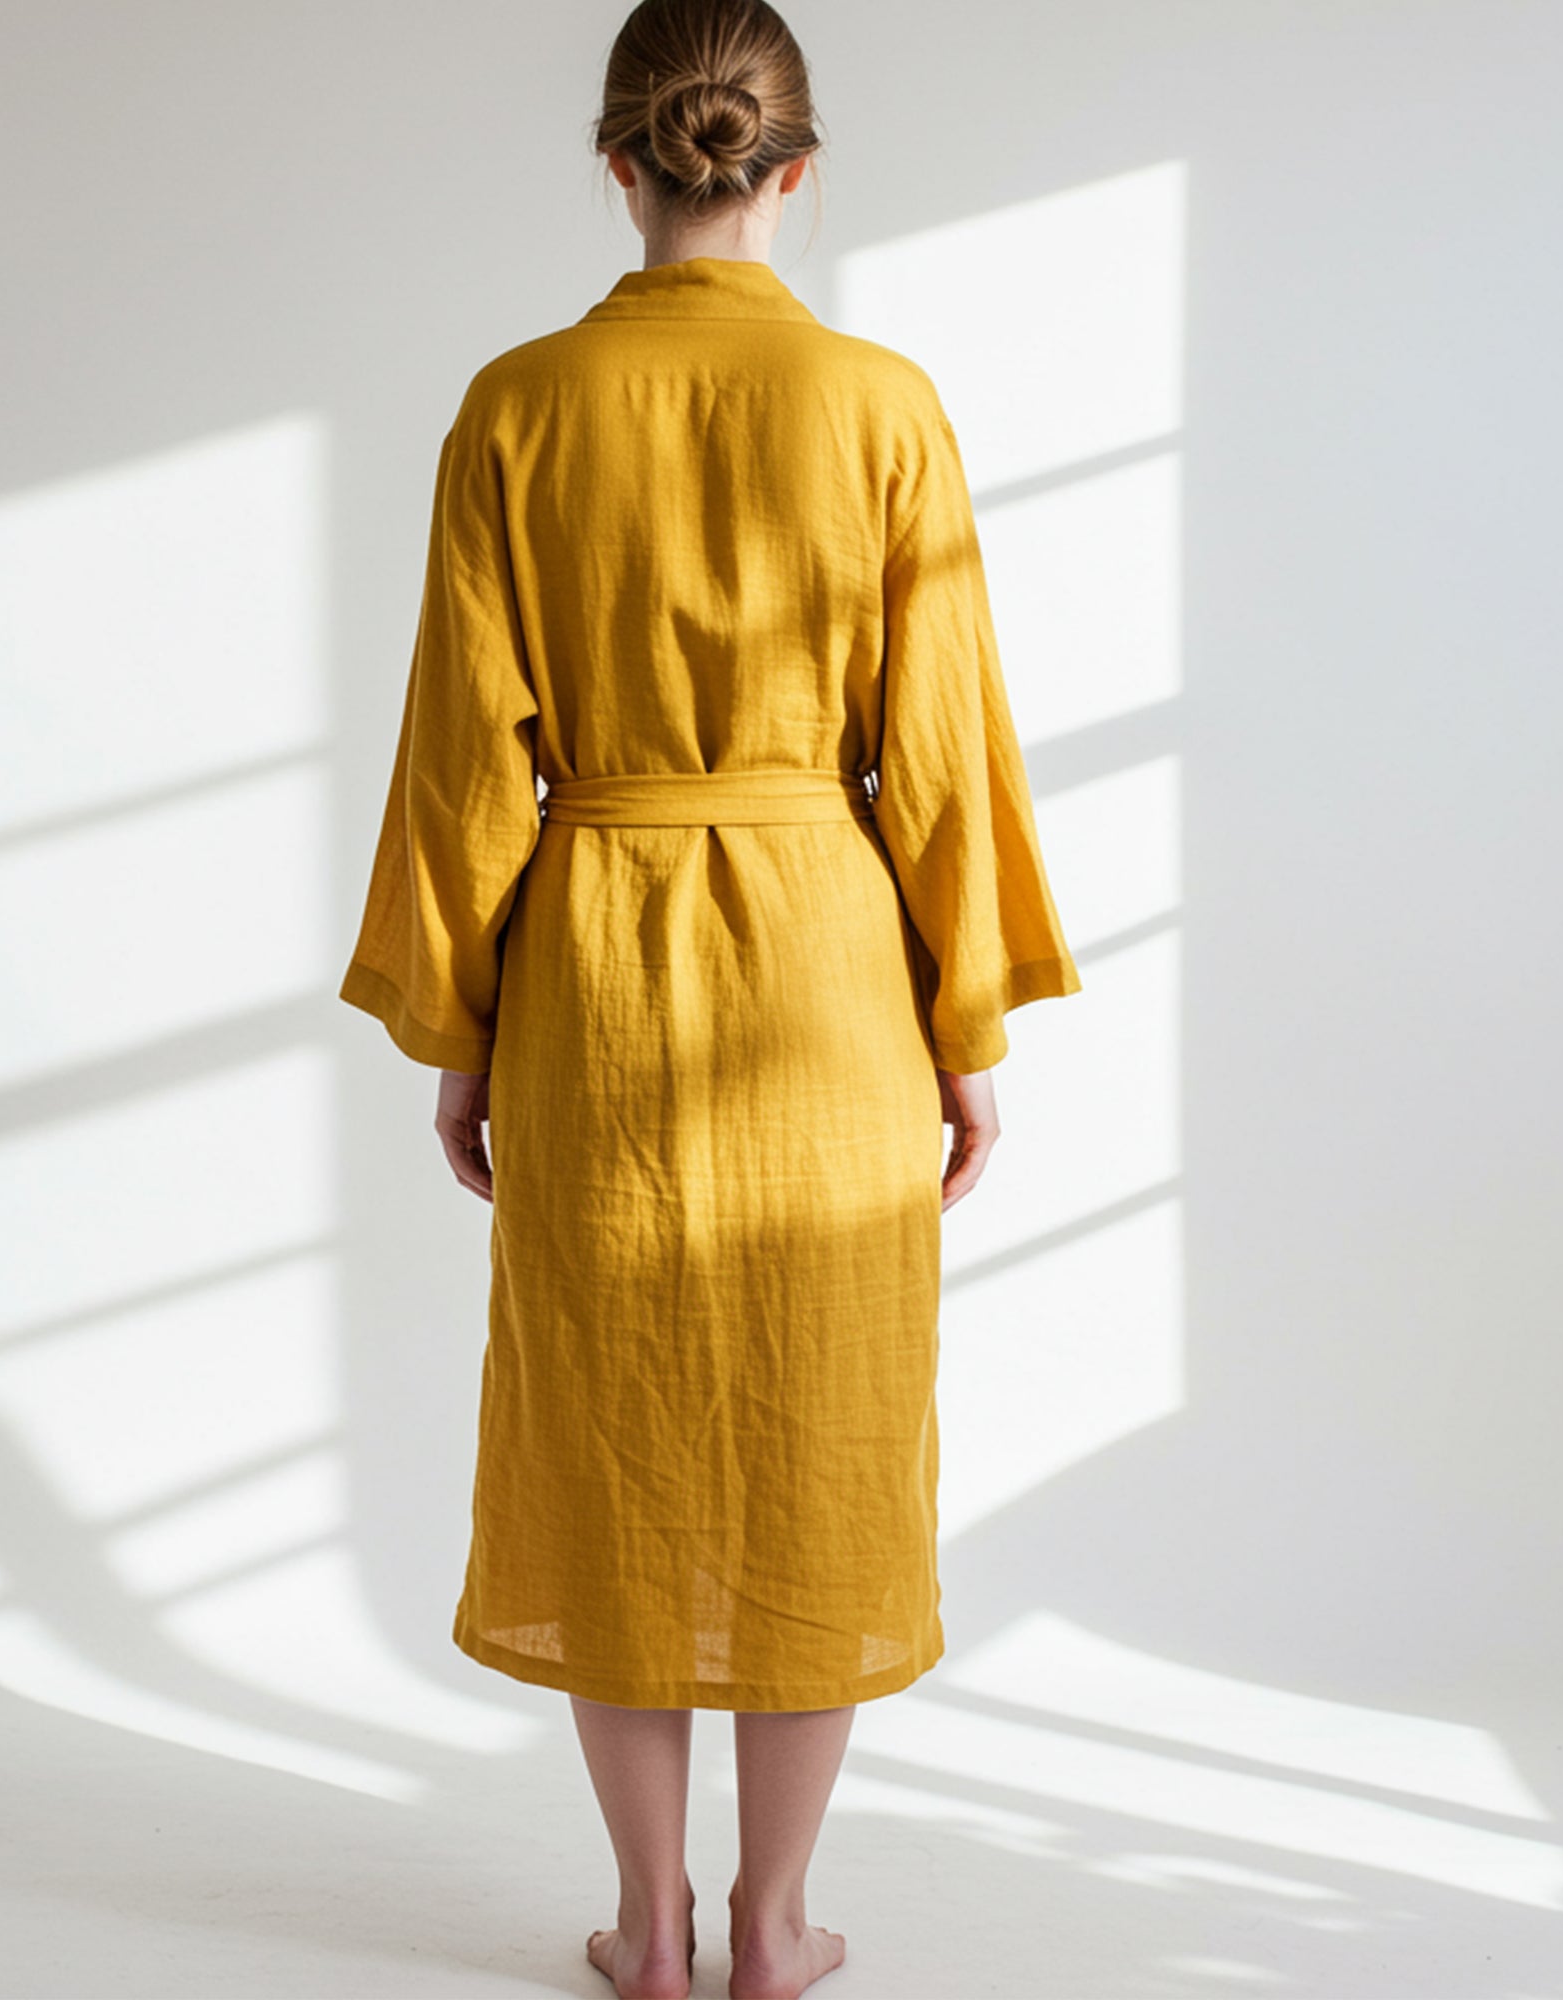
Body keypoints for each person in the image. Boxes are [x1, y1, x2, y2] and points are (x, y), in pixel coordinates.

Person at [336, 2, 1082, 1993]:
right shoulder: (885, 406)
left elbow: (458, 757)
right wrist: (971, 1035)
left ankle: (645, 1932)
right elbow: (940, 749)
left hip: (590, 962)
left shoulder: (516, 404)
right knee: (819, 1429)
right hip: (831, 973)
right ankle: (772, 1927)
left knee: (613, 1436)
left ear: (618, 161)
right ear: (793, 169)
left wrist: (466, 1032)